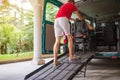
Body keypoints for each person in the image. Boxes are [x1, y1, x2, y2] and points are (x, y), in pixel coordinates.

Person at [53, 0, 93, 66]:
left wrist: (74, 20)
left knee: (57, 41)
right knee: (70, 37)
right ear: (73, 2)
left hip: (56, 20)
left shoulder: (63, 6)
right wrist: (83, 19)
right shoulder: (72, 5)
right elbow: (79, 16)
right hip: (63, 19)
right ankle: (71, 56)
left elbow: (63, 15)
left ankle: (55, 60)